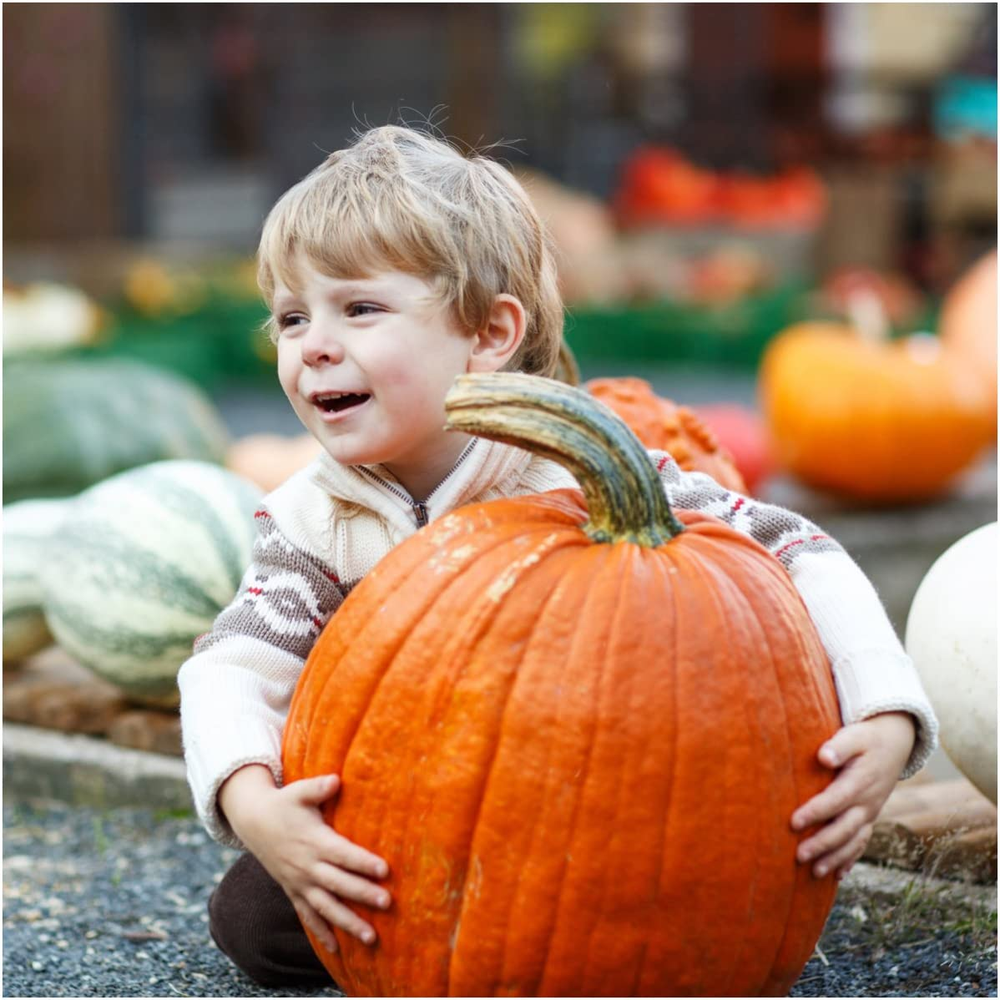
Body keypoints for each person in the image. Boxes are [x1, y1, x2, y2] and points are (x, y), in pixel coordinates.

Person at [179, 125, 938, 988]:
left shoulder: (584, 473)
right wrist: (256, 805)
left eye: (359, 309)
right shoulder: (312, 519)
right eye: (290, 316)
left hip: (609, 808)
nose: (312, 343)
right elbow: (230, 668)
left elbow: (799, 551)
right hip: (403, 819)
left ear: (489, 333)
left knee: (676, 913)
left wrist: (886, 713)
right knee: (255, 924)